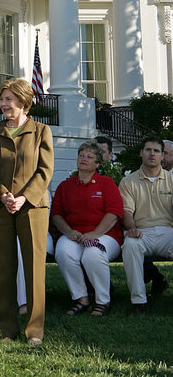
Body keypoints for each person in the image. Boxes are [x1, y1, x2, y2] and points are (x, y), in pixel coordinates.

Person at [0, 78, 53, 346]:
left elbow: (44, 171)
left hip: (33, 208)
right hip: (0, 207)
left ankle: (34, 332)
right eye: (2, 99)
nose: (3, 103)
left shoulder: (41, 131)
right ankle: (7, 330)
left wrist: (23, 198)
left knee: (34, 270)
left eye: (8, 99)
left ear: (23, 102)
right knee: (6, 268)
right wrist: (3, 195)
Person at [51, 142, 124, 317]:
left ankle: (102, 301)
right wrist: (68, 232)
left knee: (93, 253)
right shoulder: (65, 185)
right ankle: (81, 299)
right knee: (62, 251)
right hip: (74, 234)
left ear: (98, 164)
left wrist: (95, 234)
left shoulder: (106, 183)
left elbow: (114, 213)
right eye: (81, 155)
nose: (84, 159)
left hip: (105, 235)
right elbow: (56, 214)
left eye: (90, 157)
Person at [119, 135, 173, 314]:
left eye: (157, 151)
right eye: (148, 150)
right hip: (142, 233)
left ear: (162, 156)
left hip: (168, 232)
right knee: (130, 245)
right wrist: (132, 228)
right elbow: (126, 210)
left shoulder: (172, 179)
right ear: (141, 153)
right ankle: (138, 302)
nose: (152, 154)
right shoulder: (128, 181)